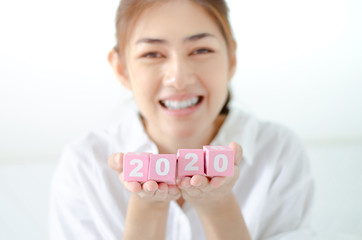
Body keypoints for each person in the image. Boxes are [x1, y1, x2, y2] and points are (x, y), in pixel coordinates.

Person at [50, 0, 314, 239]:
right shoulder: (84, 166)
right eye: (152, 54)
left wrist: (218, 206)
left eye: (200, 50)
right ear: (122, 68)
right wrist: (146, 209)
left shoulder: (278, 151)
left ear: (231, 57)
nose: (178, 78)